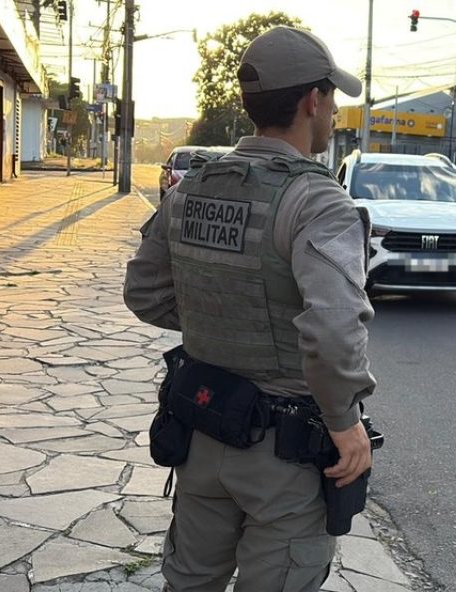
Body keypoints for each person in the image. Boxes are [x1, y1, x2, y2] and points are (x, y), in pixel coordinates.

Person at [123, 26, 376, 592]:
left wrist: (225, 318)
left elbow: (143, 291)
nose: (334, 112)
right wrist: (346, 424)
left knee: (189, 582)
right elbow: (333, 334)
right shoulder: (318, 202)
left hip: (201, 431)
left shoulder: (192, 189)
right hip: (281, 457)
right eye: (333, 97)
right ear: (314, 100)